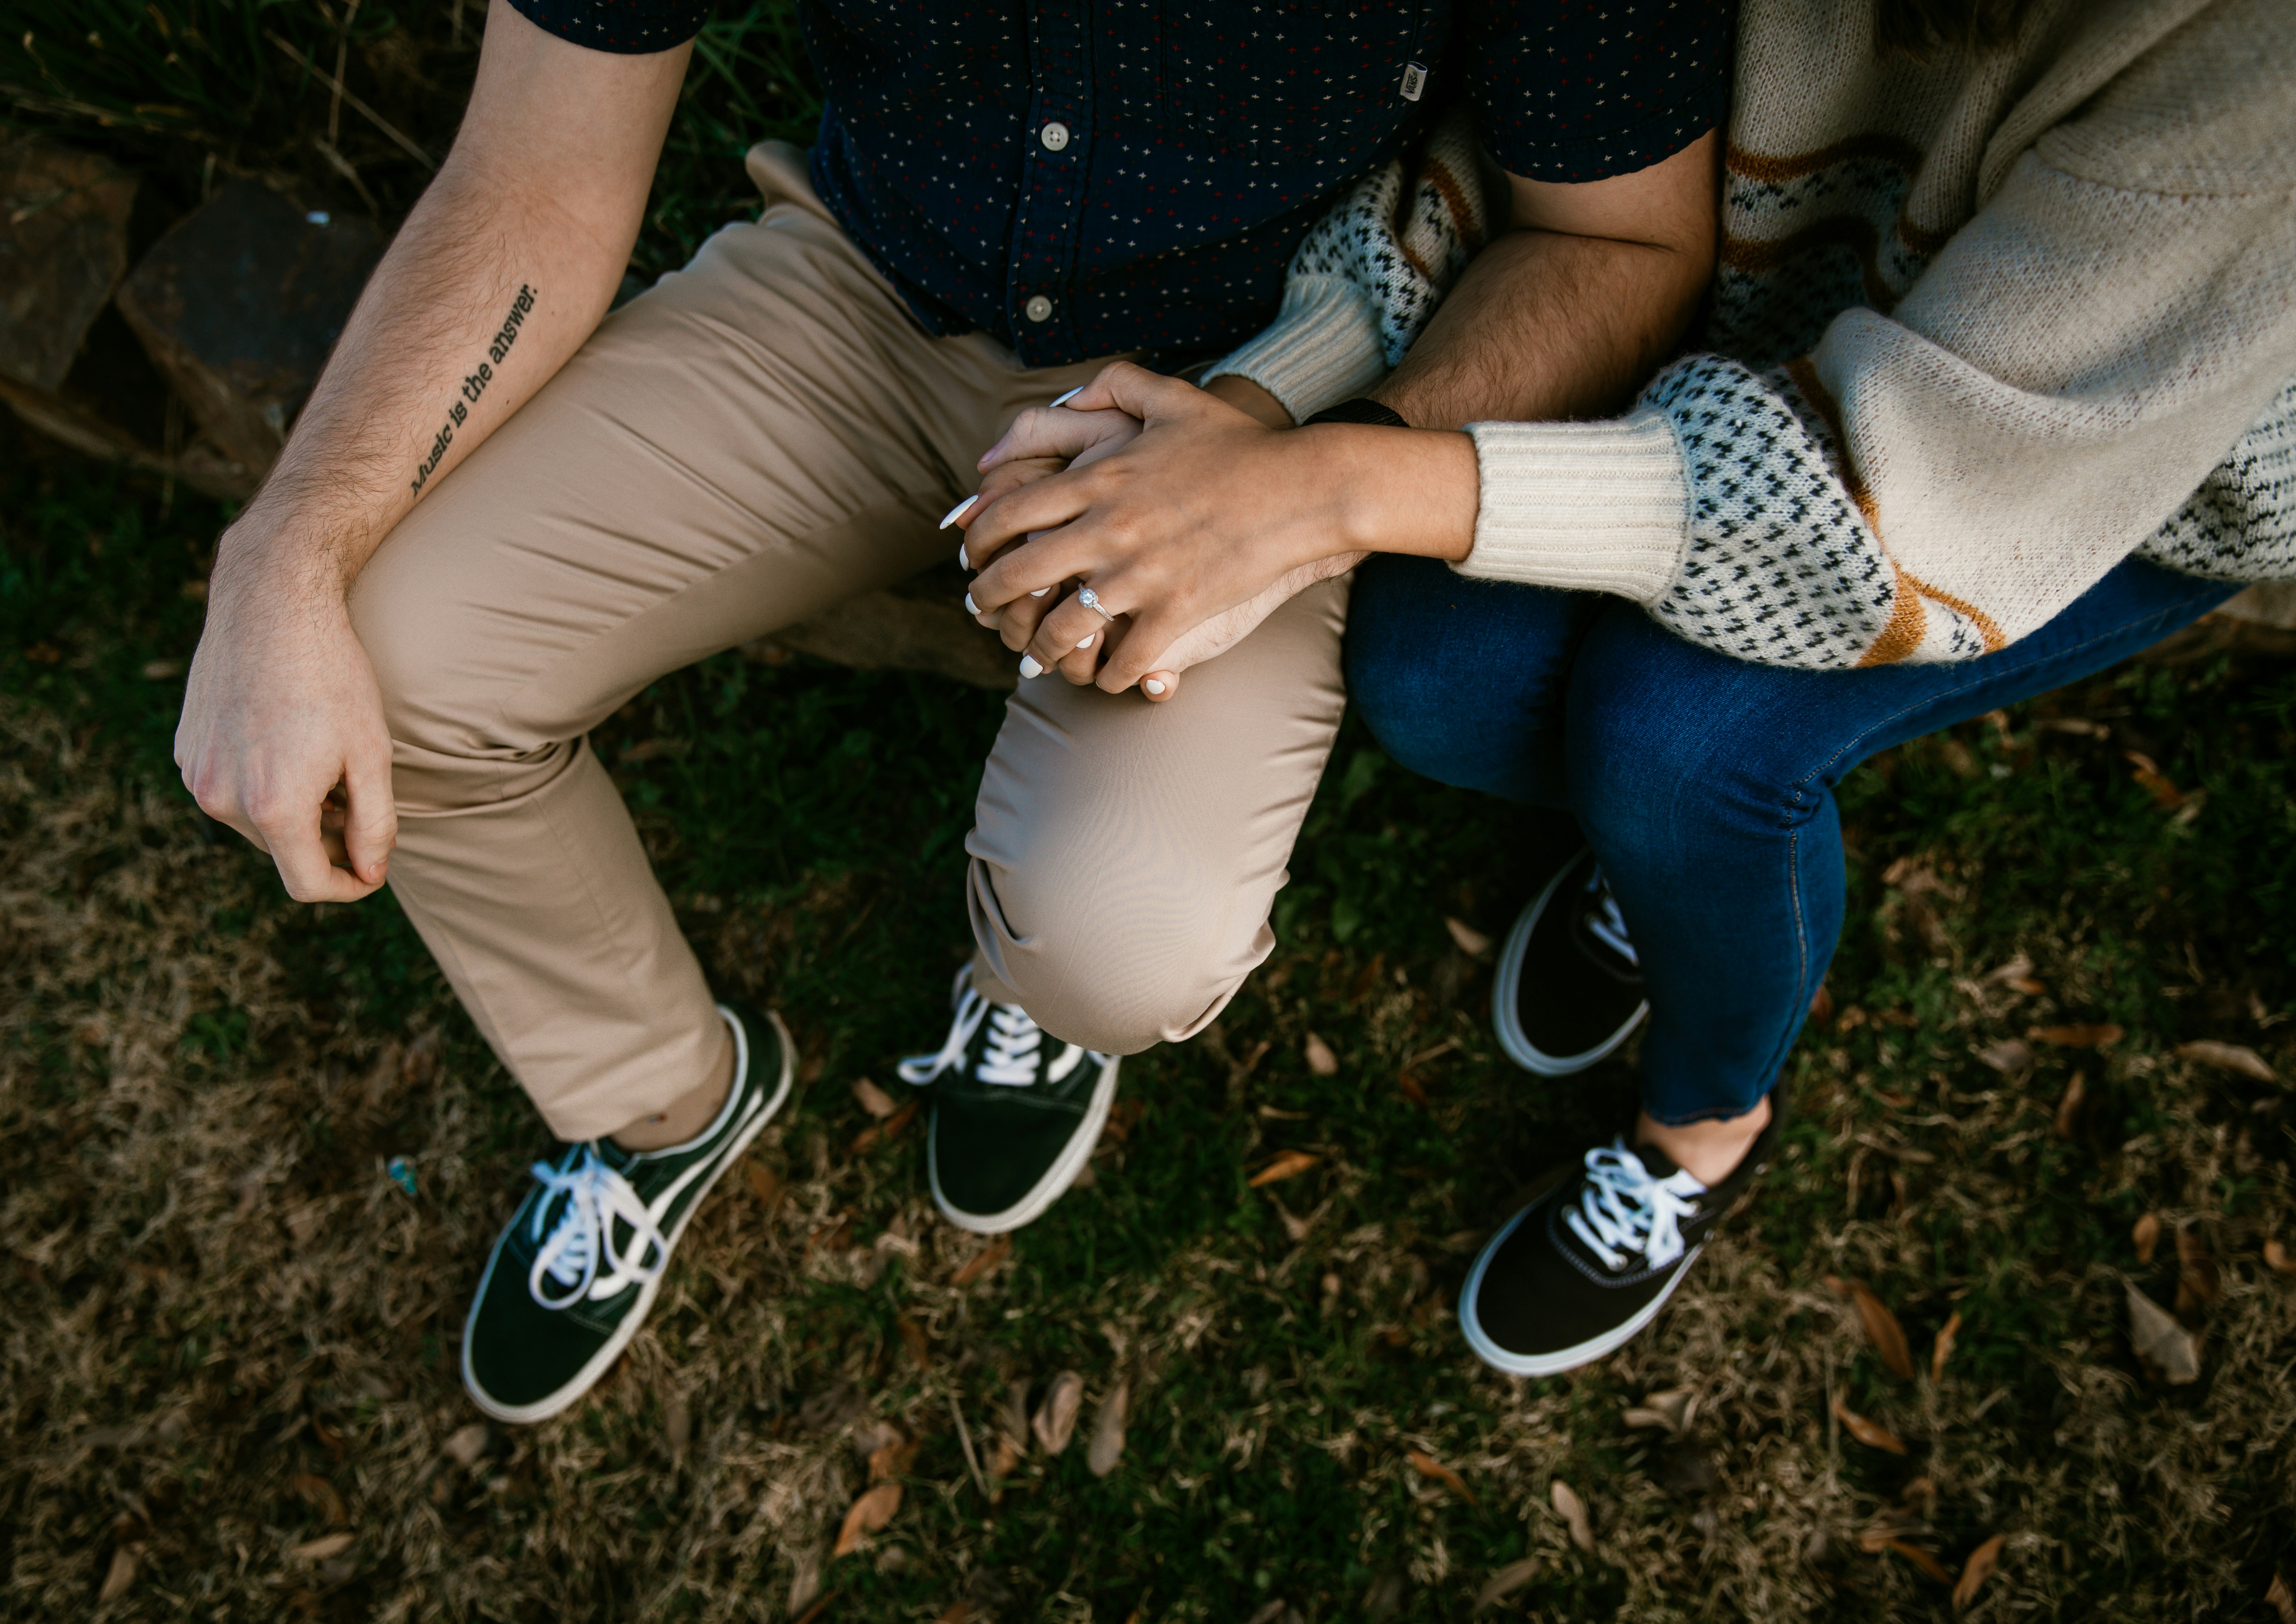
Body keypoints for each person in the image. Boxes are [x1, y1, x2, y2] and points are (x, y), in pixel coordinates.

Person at [171, 0, 1736, 1422]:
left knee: (1117, 935)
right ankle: (662, 1103)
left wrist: (1310, 488)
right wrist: (288, 541)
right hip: (857, 297)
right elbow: (536, 169)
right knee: (389, 661)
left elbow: (1623, 241)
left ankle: (1029, 995)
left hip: (1255, 390)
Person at [963, 0, 2296, 1377]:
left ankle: (1704, 1127)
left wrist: (1322, 486)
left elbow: (1915, 503)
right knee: (1432, 664)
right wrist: (1262, 416)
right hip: (1772, 309)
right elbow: (1559, 134)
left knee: (1681, 744)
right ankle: (1653, 866)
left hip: (2092, 459)